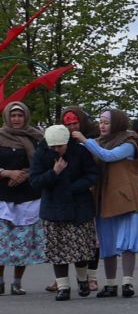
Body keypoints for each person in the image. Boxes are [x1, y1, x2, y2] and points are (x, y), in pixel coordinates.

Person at [30, 123, 100, 302]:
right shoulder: (41, 154)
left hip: (79, 206)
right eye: (53, 147)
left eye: (59, 146)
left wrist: (73, 187)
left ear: (67, 142)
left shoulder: (80, 152)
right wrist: (54, 172)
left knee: (81, 248)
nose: (56, 150)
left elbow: (93, 175)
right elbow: (35, 181)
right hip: (53, 208)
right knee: (58, 250)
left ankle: (83, 280)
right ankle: (63, 287)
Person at [78, 109, 138, 297]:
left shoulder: (129, 144)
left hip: (125, 198)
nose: (102, 125)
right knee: (107, 243)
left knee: (127, 242)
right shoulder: (98, 143)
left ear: (117, 123)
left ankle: (128, 283)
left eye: (106, 122)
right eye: (101, 122)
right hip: (104, 197)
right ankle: (110, 284)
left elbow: (109, 156)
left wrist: (85, 140)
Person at [0, 101, 47, 295]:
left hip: (28, 196)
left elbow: (42, 163)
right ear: (7, 117)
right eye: (13, 115)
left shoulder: (36, 137)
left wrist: (25, 174)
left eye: (20, 115)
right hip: (3, 196)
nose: (16, 119)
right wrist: (7, 173)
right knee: (2, 242)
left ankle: (17, 282)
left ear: (25, 117)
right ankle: (0, 281)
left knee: (23, 242)